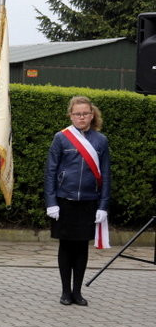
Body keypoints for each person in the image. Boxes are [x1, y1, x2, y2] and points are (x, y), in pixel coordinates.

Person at [45, 96, 110, 306]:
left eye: (85, 114)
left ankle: (77, 292)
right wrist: (51, 201)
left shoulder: (101, 141)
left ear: (92, 115)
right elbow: (51, 172)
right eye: (77, 114)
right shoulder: (61, 138)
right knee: (66, 247)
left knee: (82, 248)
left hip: (89, 201)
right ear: (70, 115)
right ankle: (65, 292)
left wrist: (103, 206)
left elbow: (106, 175)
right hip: (65, 200)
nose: (81, 117)